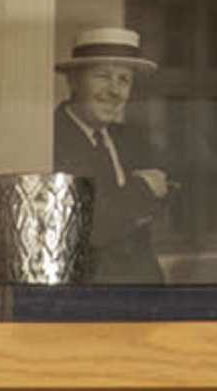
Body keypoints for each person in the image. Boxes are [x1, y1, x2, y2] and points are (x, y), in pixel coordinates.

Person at [49, 23, 175, 267]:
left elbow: (172, 183)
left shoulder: (129, 139)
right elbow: (90, 229)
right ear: (74, 81)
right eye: (103, 76)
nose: (115, 91)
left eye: (124, 80)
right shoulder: (51, 138)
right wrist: (142, 188)